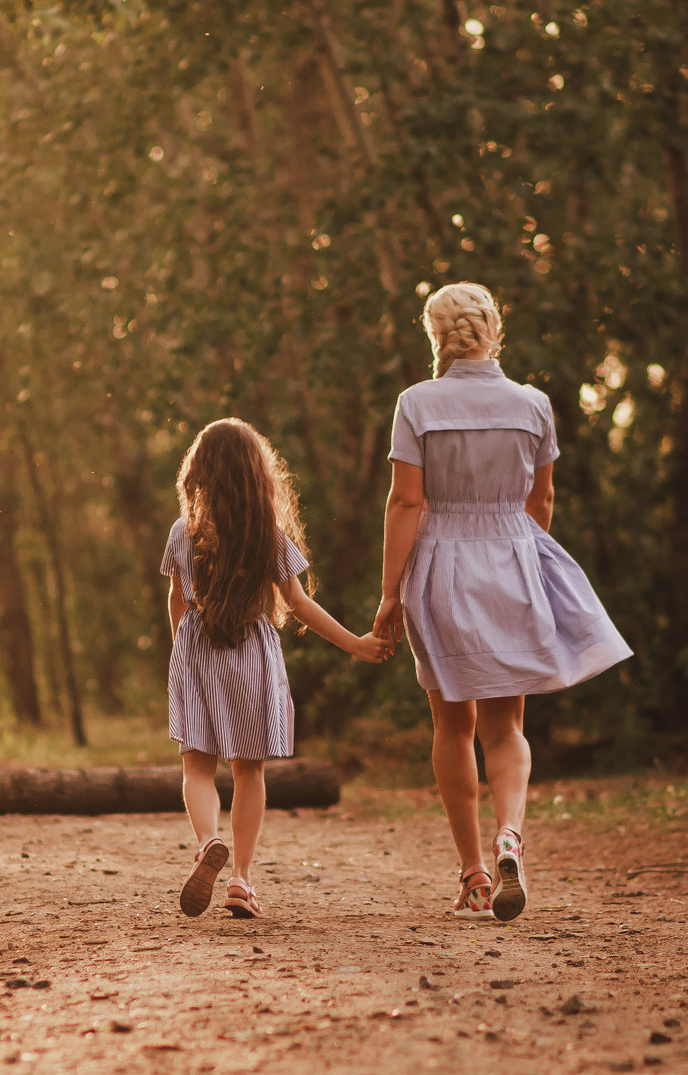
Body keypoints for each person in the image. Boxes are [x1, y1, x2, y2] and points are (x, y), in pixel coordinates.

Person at [373, 283, 631, 922]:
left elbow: (407, 501)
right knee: (506, 725)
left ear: (435, 336)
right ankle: (510, 833)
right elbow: (540, 502)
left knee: (452, 725)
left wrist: (388, 594)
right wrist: (524, 560)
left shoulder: (417, 404)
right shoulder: (534, 404)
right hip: (513, 557)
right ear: (494, 330)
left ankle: (474, 875)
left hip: (441, 564)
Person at [163, 419, 390, 919]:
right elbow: (299, 605)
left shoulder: (183, 533)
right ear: (256, 475)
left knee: (197, 763)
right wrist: (356, 643)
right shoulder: (269, 535)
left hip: (197, 650)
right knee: (249, 769)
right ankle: (241, 880)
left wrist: (181, 655)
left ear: (198, 473)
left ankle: (207, 845)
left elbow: (178, 602)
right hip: (251, 651)